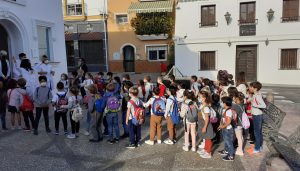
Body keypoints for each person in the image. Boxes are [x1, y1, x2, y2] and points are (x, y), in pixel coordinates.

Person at [247, 81, 266, 154]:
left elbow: (263, 105)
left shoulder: (257, 95)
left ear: (255, 88)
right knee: (259, 132)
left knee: (257, 132)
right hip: (257, 114)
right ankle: (260, 146)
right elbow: (252, 100)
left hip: (257, 116)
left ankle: (257, 148)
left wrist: (254, 105)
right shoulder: (256, 94)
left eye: (251, 87)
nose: (249, 88)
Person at [198, 91, 215, 159]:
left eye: (200, 97)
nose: (198, 98)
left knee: (208, 139)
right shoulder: (202, 105)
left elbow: (207, 118)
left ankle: (209, 152)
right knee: (205, 138)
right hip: (203, 124)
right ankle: (205, 149)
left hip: (206, 125)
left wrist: (205, 127)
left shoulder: (206, 107)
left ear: (204, 98)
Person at [218, 96, 235, 161]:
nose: (221, 103)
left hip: (227, 129)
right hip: (225, 128)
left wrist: (222, 126)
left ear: (225, 103)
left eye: (222, 102)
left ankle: (231, 156)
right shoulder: (225, 110)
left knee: (229, 142)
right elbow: (223, 119)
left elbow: (228, 121)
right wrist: (220, 125)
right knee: (226, 141)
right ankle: (226, 150)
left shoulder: (228, 111)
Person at [233, 92, 246, 156]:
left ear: (237, 98)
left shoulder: (236, 106)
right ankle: (240, 148)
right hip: (242, 123)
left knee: (239, 137)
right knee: (241, 137)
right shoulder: (242, 104)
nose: (233, 98)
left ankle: (240, 150)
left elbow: (234, 115)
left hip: (238, 124)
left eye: (234, 97)